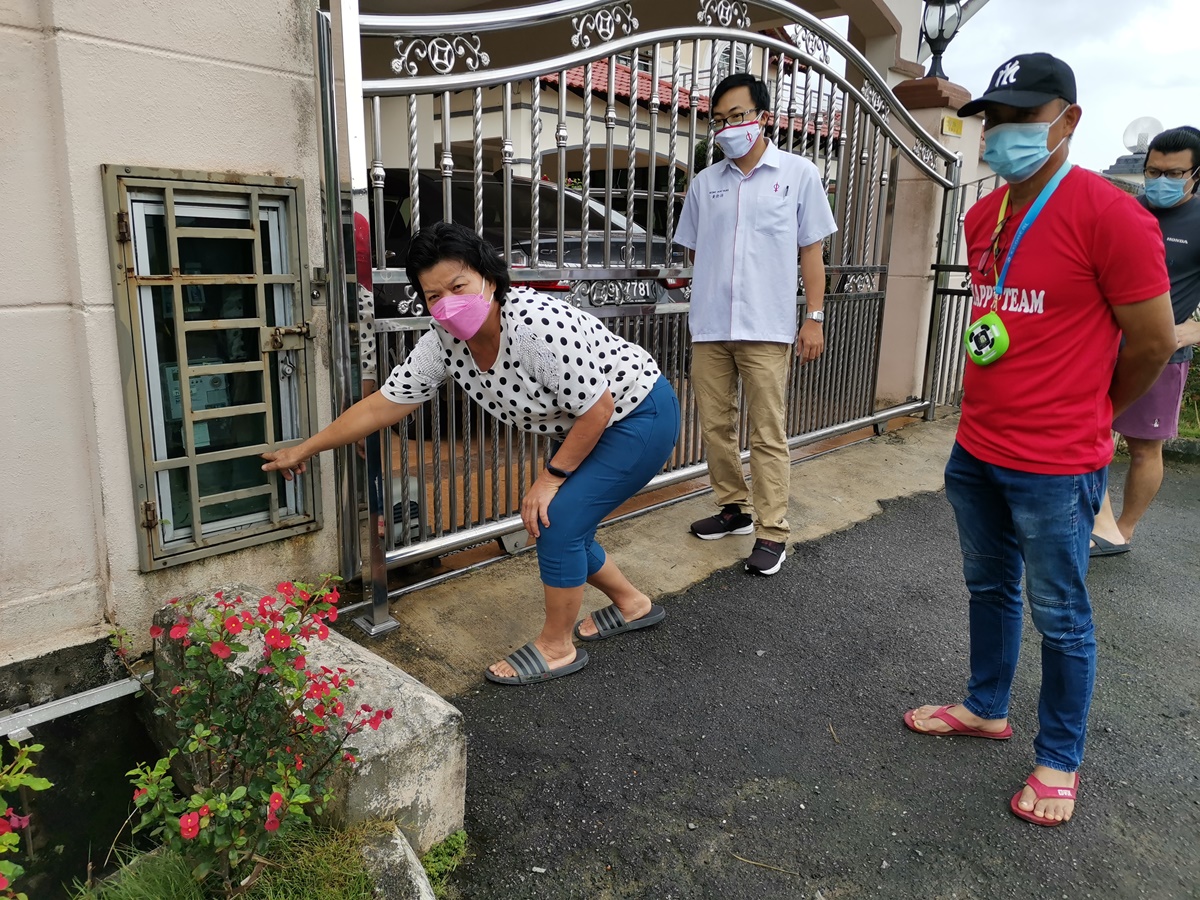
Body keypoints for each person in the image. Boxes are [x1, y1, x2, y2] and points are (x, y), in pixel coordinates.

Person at [903, 53, 1176, 826]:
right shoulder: (983, 215)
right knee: (987, 588)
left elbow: (1152, 343)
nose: (1002, 133)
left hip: (1057, 462)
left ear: (1067, 122)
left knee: (1061, 612)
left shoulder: (1111, 214)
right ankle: (986, 707)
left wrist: (1094, 409)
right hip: (978, 445)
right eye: (994, 118)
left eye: (1023, 117)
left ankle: (1059, 758)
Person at [263, 222, 681, 685]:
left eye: (457, 286)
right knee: (568, 525)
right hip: (587, 424)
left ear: (488, 277)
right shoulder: (443, 341)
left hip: (637, 415)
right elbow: (385, 403)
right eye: (433, 295)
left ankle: (557, 647)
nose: (446, 302)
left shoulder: (536, 325)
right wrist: (305, 448)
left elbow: (598, 408)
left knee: (556, 520)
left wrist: (550, 478)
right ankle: (632, 604)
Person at [673, 72, 837, 576]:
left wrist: (813, 316)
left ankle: (772, 530)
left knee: (768, 432)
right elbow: (699, 251)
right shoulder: (706, 183)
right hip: (711, 327)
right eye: (718, 120)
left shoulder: (797, 173)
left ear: (763, 117)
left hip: (766, 327)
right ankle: (734, 509)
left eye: (737, 116)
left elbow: (811, 252)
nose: (727, 127)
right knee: (715, 425)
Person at [1089, 126, 1200, 556]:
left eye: (1173, 173)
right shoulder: (1126, 211)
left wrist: (1179, 335)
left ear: (1195, 174)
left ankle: (1124, 530)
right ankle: (1095, 523)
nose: (1160, 181)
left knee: (1144, 447)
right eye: (1153, 171)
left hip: (1160, 359)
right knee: (1089, 434)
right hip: (1100, 350)